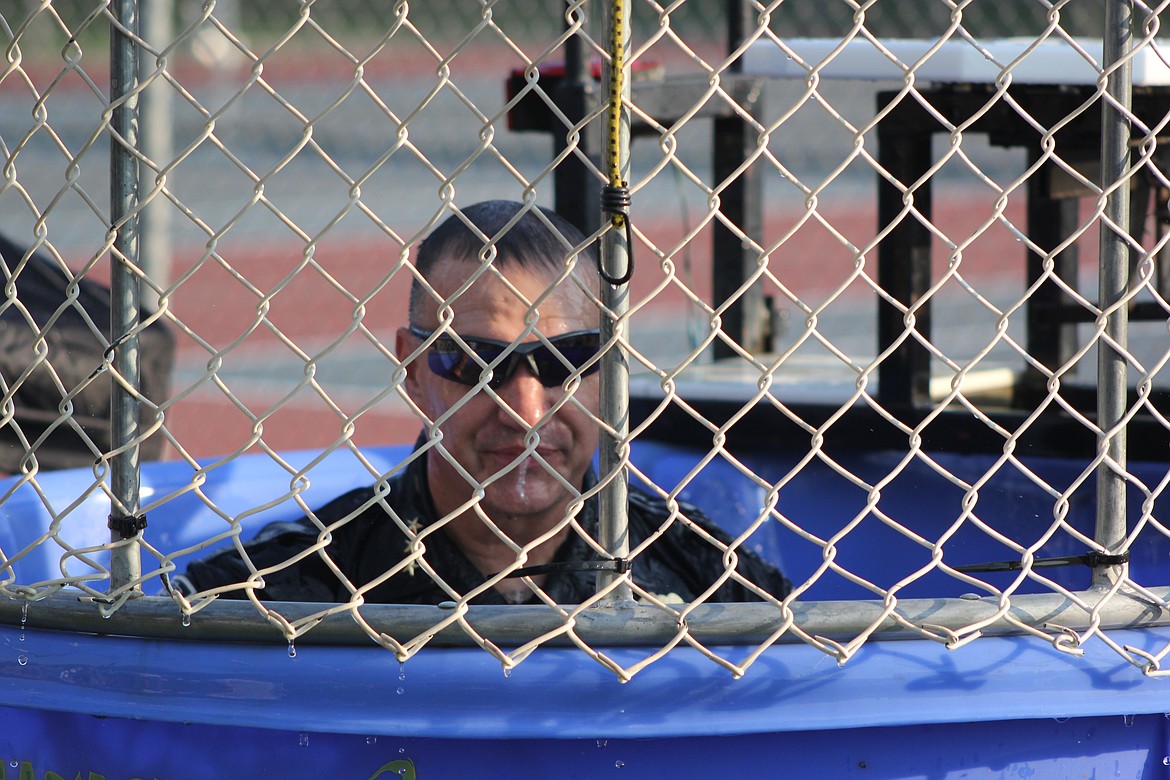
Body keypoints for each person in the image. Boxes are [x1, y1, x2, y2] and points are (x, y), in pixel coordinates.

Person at [177, 201, 791, 605]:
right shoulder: (284, 589)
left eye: (567, 360)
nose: (525, 411)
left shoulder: (702, 578)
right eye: (477, 364)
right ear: (414, 370)